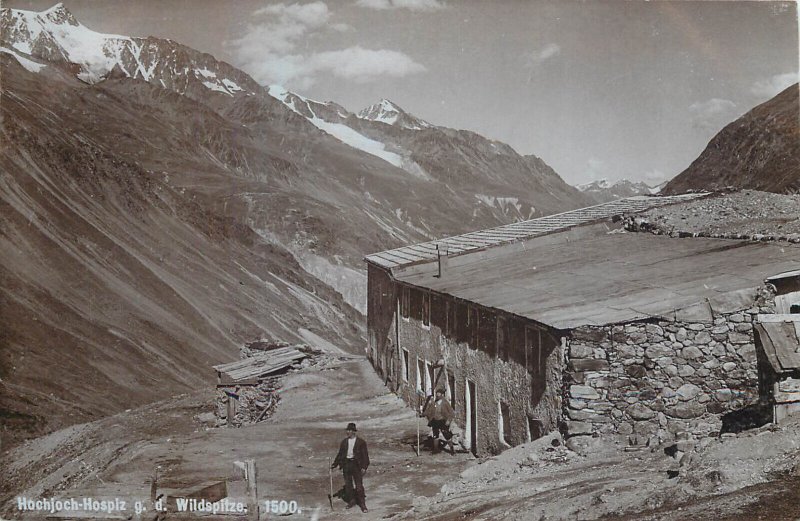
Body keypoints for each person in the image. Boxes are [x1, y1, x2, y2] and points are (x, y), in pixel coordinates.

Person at [331, 423, 370, 513]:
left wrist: (364, 467)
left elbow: (365, 456)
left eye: (349, 430)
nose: (347, 432)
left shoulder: (361, 442)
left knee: (359, 486)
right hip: (346, 465)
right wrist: (335, 464)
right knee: (348, 485)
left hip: (357, 465)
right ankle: (352, 501)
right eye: (347, 430)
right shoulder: (344, 442)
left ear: (353, 432)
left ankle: (362, 504)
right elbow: (340, 454)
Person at [423, 388, 455, 454]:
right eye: (437, 394)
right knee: (435, 435)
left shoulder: (445, 403)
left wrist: (448, 420)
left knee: (446, 435)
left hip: (442, 421)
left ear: (442, 395)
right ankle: (436, 449)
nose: (437, 396)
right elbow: (429, 411)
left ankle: (452, 449)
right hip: (435, 421)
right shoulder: (434, 403)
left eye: (439, 394)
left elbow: (451, 413)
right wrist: (422, 414)